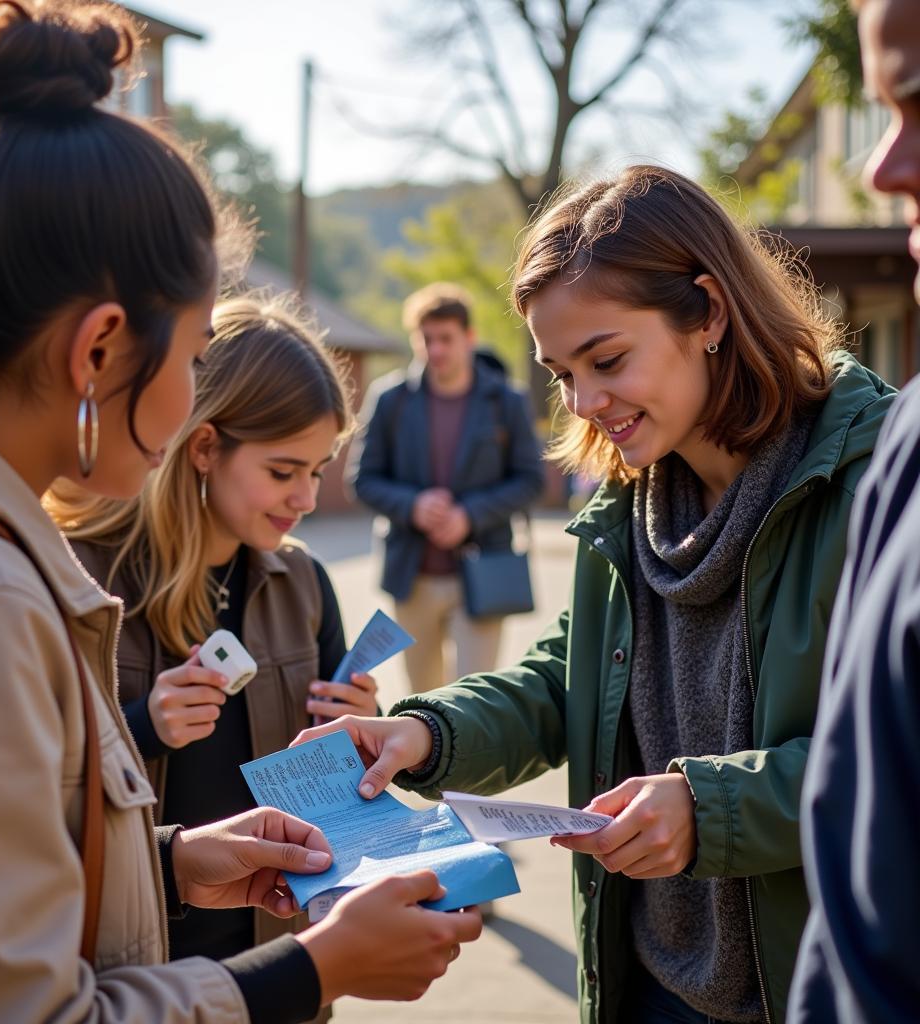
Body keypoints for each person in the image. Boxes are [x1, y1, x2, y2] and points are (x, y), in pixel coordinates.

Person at [0, 3, 481, 1022]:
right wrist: (311, 970)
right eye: (195, 352)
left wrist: (171, 858)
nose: (191, 399)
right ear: (99, 349)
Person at [297, 165, 897, 1023]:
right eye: (561, 372)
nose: (584, 401)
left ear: (711, 312)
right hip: (646, 977)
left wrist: (711, 806)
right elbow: (562, 680)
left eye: (607, 359)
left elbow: (896, 754)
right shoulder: (630, 495)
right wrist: (427, 732)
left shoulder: (873, 478)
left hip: (813, 984)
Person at [48, 293, 378, 998]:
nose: (307, 500)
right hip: (133, 971)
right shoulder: (80, 575)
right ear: (204, 447)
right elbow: (30, 797)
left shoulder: (305, 584)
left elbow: (330, 801)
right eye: (284, 471)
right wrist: (143, 728)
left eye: (318, 471)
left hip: (278, 954)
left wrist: (348, 739)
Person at [788, 2, 920, 1020]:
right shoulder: (911, 448)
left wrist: (702, 806)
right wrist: (434, 731)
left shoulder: (857, 451)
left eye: (916, 104)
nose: (880, 170)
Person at [347, 282, 544, 692]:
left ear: (469, 338)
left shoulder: (506, 401)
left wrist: (468, 515)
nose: (435, 349)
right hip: (411, 577)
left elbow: (531, 480)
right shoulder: (390, 400)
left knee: (472, 697)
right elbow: (362, 479)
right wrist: (413, 505)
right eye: (425, 339)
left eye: (445, 338)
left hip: (483, 573)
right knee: (420, 700)